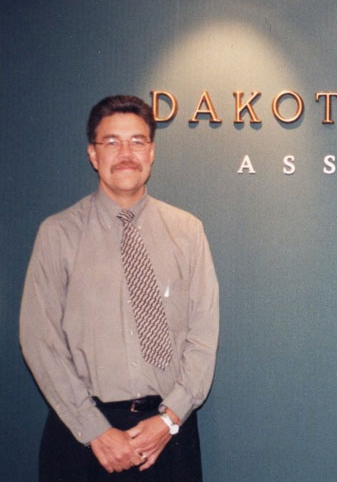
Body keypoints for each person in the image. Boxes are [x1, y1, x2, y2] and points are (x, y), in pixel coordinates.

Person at [20, 95, 219, 480]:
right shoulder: (58, 234)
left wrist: (170, 419)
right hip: (81, 435)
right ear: (93, 154)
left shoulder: (187, 232)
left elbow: (203, 337)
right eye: (111, 142)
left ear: (152, 152)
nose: (125, 153)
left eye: (137, 142)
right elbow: (39, 340)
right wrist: (94, 430)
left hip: (168, 435)